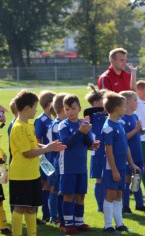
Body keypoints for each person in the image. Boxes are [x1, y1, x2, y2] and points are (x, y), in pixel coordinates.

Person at [9, 90, 65, 236]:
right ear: (27, 109)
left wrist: (49, 146)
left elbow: (33, 146)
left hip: (32, 174)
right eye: (35, 107)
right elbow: (27, 153)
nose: (36, 111)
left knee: (32, 207)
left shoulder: (29, 125)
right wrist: (47, 149)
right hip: (21, 175)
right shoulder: (18, 127)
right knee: (20, 207)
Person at [58, 94, 99, 234]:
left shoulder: (83, 123)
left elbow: (89, 144)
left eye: (73, 108)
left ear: (79, 108)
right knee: (69, 195)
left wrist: (88, 135)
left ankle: (79, 222)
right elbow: (66, 144)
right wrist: (80, 132)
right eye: (67, 109)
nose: (70, 112)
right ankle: (68, 224)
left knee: (81, 195)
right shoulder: (62, 124)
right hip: (68, 166)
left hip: (81, 166)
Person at [101, 91, 141, 233]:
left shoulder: (119, 124)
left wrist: (132, 164)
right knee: (110, 194)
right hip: (112, 168)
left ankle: (119, 224)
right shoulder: (108, 127)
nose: (125, 109)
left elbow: (126, 147)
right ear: (117, 108)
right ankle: (107, 226)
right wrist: (114, 170)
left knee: (119, 194)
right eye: (124, 106)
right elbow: (108, 151)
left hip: (122, 166)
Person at [119, 91, 145, 214]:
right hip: (128, 155)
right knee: (127, 180)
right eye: (135, 100)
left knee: (137, 177)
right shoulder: (122, 119)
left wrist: (140, 130)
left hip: (137, 153)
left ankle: (140, 204)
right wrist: (136, 130)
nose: (137, 103)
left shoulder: (135, 116)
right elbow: (123, 137)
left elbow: (138, 132)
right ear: (126, 102)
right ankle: (125, 207)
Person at [84, 84, 107, 213]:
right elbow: (87, 111)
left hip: (107, 148)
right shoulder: (91, 115)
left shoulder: (106, 115)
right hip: (97, 149)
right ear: (97, 102)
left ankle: (108, 202)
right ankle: (100, 205)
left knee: (107, 176)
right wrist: (99, 107)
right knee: (99, 177)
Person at [34, 90, 56, 223]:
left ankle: (47, 214)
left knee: (48, 184)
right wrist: (43, 155)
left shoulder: (50, 119)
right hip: (44, 158)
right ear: (49, 104)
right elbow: (37, 140)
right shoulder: (41, 120)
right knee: (44, 184)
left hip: (51, 156)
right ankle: (43, 214)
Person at [47, 93, 68, 232]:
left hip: (61, 161)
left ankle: (58, 215)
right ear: (62, 108)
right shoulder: (57, 125)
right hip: (56, 161)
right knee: (55, 188)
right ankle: (54, 216)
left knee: (58, 188)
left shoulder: (60, 123)